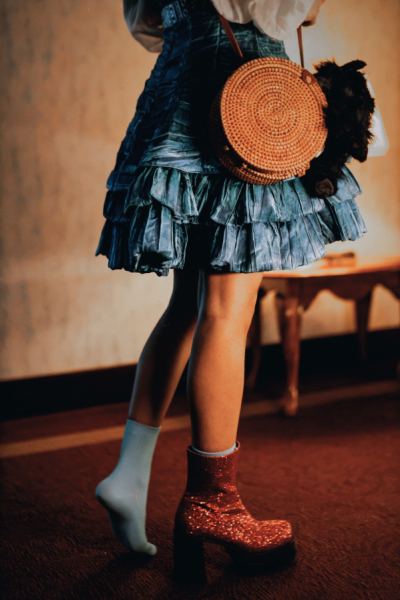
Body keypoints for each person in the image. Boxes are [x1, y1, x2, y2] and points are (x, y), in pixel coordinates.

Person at [94, 0, 366, 576]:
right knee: (226, 313)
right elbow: (279, 10)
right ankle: (213, 501)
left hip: (179, 92)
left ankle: (131, 472)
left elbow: (146, 21)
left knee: (186, 310)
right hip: (245, 104)